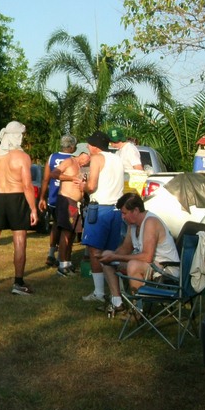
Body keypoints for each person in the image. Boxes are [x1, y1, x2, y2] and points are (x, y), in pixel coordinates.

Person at [0, 121, 38, 295]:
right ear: (17, 136)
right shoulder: (22, 157)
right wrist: (33, 208)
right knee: (19, 240)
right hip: (16, 197)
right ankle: (18, 283)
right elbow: (27, 186)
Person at [100, 192, 180, 318]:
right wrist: (108, 256)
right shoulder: (132, 225)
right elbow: (126, 248)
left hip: (166, 270)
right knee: (107, 258)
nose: (122, 217)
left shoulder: (150, 222)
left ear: (136, 210)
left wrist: (115, 257)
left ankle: (137, 311)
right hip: (151, 266)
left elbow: (147, 257)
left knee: (133, 265)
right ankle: (117, 303)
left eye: (124, 213)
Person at [81, 130, 126, 306]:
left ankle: (99, 292)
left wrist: (82, 185)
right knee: (112, 251)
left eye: (89, 144)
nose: (87, 146)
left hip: (100, 208)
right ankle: (119, 291)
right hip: (116, 209)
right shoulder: (117, 159)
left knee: (95, 251)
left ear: (95, 146)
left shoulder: (97, 159)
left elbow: (92, 186)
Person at [39, 135, 79, 267]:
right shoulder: (73, 159)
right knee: (67, 229)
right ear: (72, 147)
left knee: (56, 225)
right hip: (67, 197)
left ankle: (51, 253)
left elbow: (46, 178)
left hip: (53, 197)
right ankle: (62, 258)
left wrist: (42, 197)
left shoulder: (52, 157)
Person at [50, 148, 90, 277]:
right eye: (87, 158)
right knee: (66, 233)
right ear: (81, 153)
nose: (87, 161)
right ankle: (62, 265)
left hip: (78, 203)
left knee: (73, 234)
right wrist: (71, 178)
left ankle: (67, 262)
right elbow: (54, 174)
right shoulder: (69, 161)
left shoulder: (84, 167)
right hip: (66, 200)